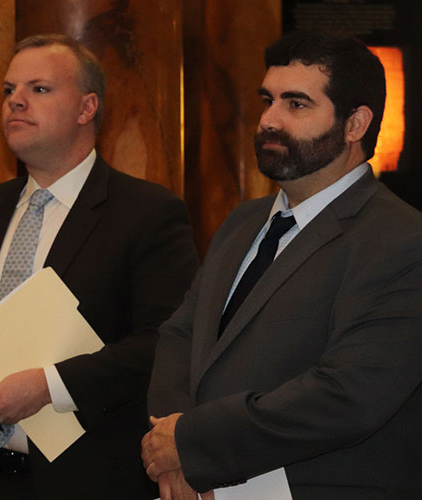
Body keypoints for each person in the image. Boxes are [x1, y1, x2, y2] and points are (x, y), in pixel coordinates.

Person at [0, 34, 198, 499]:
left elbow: (164, 343)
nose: (16, 101)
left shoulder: (147, 214)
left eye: (39, 89)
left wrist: (50, 386)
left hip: (83, 480)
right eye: (9, 90)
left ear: (87, 108)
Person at [143, 30, 422, 499]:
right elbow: (181, 336)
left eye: (296, 104)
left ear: (355, 124)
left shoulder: (402, 240)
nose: (269, 120)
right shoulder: (242, 221)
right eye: (267, 100)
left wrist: (193, 444)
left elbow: (347, 396)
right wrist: (172, 448)